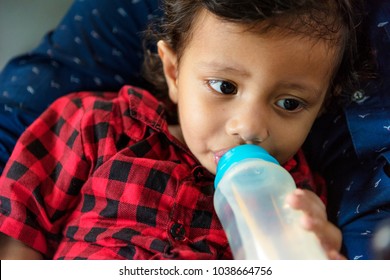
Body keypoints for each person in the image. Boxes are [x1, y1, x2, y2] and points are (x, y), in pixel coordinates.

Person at [0, 0, 355, 259]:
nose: (249, 128)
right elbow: (18, 230)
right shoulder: (98, 127)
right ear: (173, 72)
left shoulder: (298, 199)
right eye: (224, 87)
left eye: (289, 104)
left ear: (321, 107)